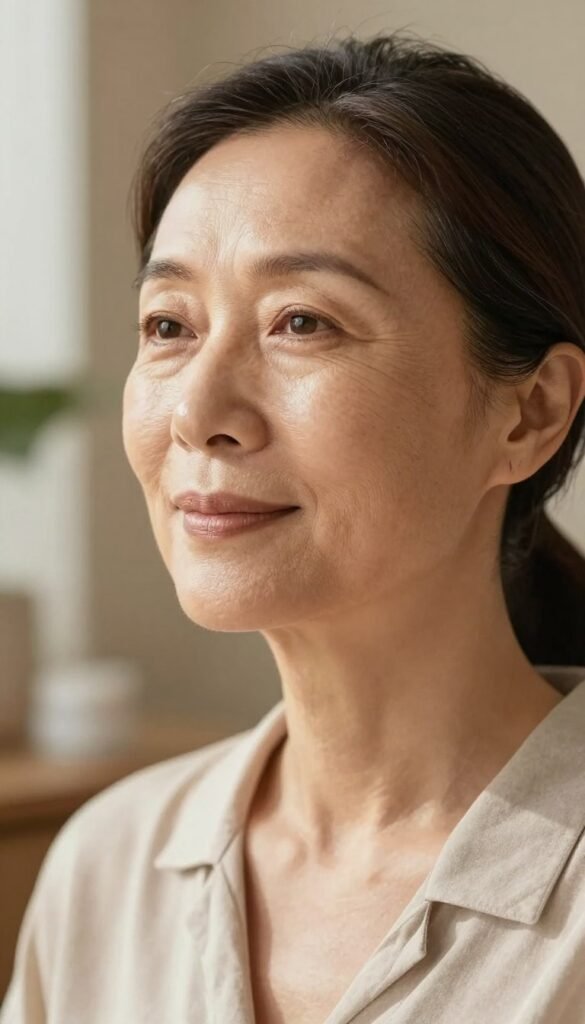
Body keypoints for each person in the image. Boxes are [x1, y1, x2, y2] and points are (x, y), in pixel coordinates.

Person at [2, 30, 585, 1024]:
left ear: (527, 412)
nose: (198, 409)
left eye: (301, 322)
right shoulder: (109, 866)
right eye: (170, 325)